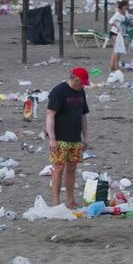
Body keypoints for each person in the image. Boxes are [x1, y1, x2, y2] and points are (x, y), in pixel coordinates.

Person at [45, 66, 90, 209]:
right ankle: (56, 202)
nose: (83, 85)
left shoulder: (81, 92)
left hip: (75, 138)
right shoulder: (58, 91)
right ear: (75, 80)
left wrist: (85, 137)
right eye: (82, 83)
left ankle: (70, 200)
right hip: (60, 138)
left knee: (72, 168)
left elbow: (83, 115)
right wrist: (52, 138)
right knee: (58, 168)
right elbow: (50, 115)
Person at [107, 0, 129, 72]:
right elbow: (110, 21)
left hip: (120, 33)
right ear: (123, 6)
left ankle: (115, 66)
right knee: (116, 50)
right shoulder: (117, 13)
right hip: (115, 32)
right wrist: (117, 26)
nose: (127, 7)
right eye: (126, 6)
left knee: (119, 50)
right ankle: (113, 66)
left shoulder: (125, 13)